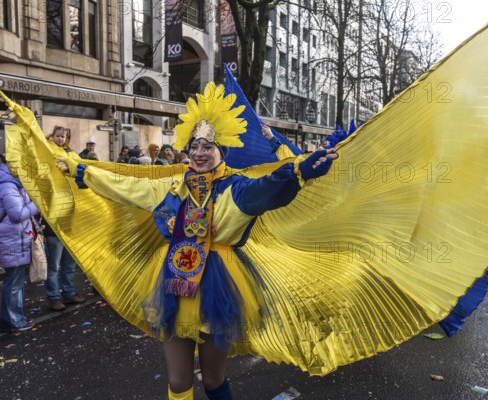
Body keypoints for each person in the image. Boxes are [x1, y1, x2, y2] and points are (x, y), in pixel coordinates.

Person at [54, 83, 337, 399]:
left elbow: (265, 192)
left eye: (208, 147)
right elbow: (126, 186)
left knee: (214, 379)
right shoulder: (173, 185)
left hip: (220, 287)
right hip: (174, 285)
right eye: (194, 147)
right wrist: (82, 169)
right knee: (178, 381)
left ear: (221, 151)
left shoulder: (234, 188)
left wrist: (299, 171)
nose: (200, 153)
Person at [0, 154, 39, 333]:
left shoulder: (14, 183)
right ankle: (13, 322)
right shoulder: (8, 186)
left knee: (16, 281)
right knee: (14, 283)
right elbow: (17, 214)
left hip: (16, 238)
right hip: (12, 239)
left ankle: (15, 318)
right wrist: (38, 204)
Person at [43, 126, 86, 311]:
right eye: (57, 136)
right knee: (54, 264)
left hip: (71, 221)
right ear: (52, 136)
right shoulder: (45, 153)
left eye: (64, 136)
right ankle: (53, 296)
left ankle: (68, 293)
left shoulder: (71, 155)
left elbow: (82, 173)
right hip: (53, 222)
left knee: (69, 263)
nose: (60, 139)